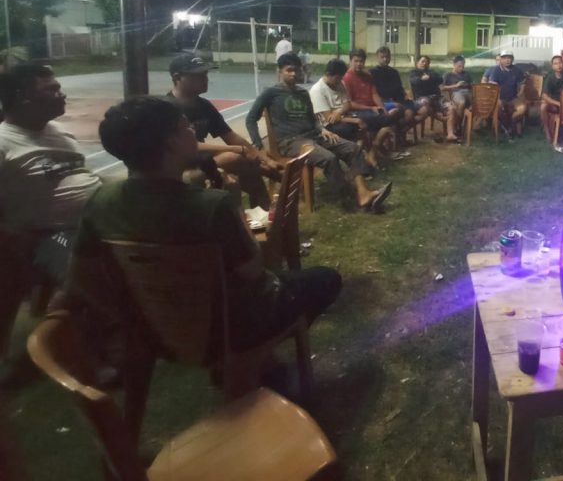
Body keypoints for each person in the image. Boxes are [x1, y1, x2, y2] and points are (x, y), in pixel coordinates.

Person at [65, 96, 341, 352]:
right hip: (226, 328)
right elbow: (253, 269)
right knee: (326, 279)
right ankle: (260, 357)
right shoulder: (210, 205)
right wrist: (235, 207)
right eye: (186, 127)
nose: (194, 136)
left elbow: (81, 277)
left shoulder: (100, 201)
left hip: (153, 331)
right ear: (171, 143)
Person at [0, 64, 102, 366]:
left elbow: (80, 176)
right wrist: (11, 235)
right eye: (51, 89)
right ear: (23, 97)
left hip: (95, 221)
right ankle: (79, 353)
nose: (62, 94)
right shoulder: (4, 142)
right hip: (51, 233)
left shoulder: (57, 132)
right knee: (88, 271)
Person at [245, 53, 392, 212]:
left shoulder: (303, 93)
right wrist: (258, 146)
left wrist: (322, 129)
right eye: (289, 70)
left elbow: (312, 118)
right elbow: (250, 119)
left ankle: (363, 193)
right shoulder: (270, 93)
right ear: (280, 71)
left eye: (296, 70)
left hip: (313, 135)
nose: (294, 74)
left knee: (353, 148)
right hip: (290, 142)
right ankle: (350, 198)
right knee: (329, 158)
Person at [165, 53, 281, 210]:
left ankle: (263, 207)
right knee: (234, 157)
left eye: (205, 74)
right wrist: (237, 149)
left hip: (201, 161)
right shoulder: (167, 108)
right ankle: (268, 201)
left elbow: (230, 135)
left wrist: (262, 157)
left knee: (251, 160)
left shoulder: (203, 105)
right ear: (177, 77)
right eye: (198, 76)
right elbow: (189, 145)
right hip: (178, 167)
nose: (205, 79)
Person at [343, 49, 402, 143]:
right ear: (350, 61)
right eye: (356, 61)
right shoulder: (346, 78)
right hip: (358, 111)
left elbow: (374, 94)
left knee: (393, 113)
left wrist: (382, 108)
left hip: (372, 108)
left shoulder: (367, 76)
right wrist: (371, 108)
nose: (359, 64)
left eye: (361, 61)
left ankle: (379, 144)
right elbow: (350, 104)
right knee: (386, 120)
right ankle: (375, 146)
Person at [371, 46, 416, 132]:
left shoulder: (394, 72)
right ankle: (393, 133)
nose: (385, 59)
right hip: (383, 101)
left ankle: (398, 133)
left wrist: (404, 95)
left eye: (387, 57)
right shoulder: (373, 72)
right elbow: (374, 92)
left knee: (409, 114)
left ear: (390, 57)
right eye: (382, 57)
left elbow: (399, 88)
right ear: (377, 57)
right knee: (396, 112)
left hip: (398, 99)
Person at [482, 50, 526, 137]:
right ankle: (506, 127)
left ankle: (511, 122)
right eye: (505, 58)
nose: (507, 60)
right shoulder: (496, 70)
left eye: (509, 58)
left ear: (512, 59)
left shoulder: (517, 70)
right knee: (499, 107)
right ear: (501, 59)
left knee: (522, 108)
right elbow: (493, 86)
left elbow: (522, 83)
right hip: (500, 98)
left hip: (513, 98)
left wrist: (520, 93)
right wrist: (497, 98)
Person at [409, 55, 447, 138]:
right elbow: (414, 81)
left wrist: (429, 78)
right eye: (422, 61)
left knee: (449, 106)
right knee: (426, 103)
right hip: (421, 98)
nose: (424, 63)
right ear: (417, 63)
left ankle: (451, 133)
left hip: (435, 98)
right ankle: (439, 117)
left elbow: (440, 79)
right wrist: (422, 79)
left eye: (426, 62)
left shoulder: (431, 72)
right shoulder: (414, 73)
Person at [440, 55, 472, 142]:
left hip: (468, 93)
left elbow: (471, 85)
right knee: (461, 102)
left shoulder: (466, 74)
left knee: (479, 102)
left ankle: (479, 125)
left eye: (463, 66)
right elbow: (442, 88)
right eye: (459, 66)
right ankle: (459, 125)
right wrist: (456, 85)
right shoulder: (448, 75)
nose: (461, 68)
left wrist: (470, 86)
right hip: (456, 92)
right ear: (454, 65)